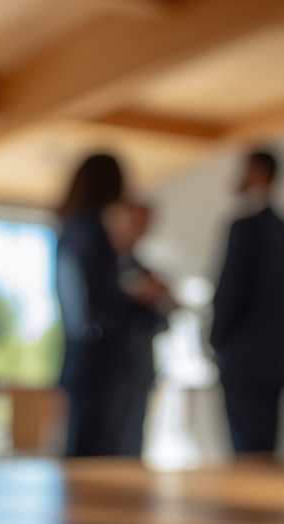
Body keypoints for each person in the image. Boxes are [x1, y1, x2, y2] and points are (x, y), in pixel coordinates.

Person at [209, 149, 284, 454]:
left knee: (245, 453)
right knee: (267, 450)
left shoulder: (245, 227)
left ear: (259, 172)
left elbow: (230, 292)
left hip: (242, 361)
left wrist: (215, 339)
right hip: (277, 360)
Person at [54, 154, 140, 457]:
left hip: (81, 361)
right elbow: (97, 304)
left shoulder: (71, 230)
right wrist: (135, 298)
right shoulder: (91, 232)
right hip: (97, 363)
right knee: (94, 457)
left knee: (85, 453)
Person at [104, 199, 175, 456]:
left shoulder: (145, 270)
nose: (140, 230)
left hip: (139, 367)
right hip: (109, 369)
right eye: (136, 222)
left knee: (132, 445)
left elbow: (162, 322)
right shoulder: (102, 267)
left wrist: (162, 300)